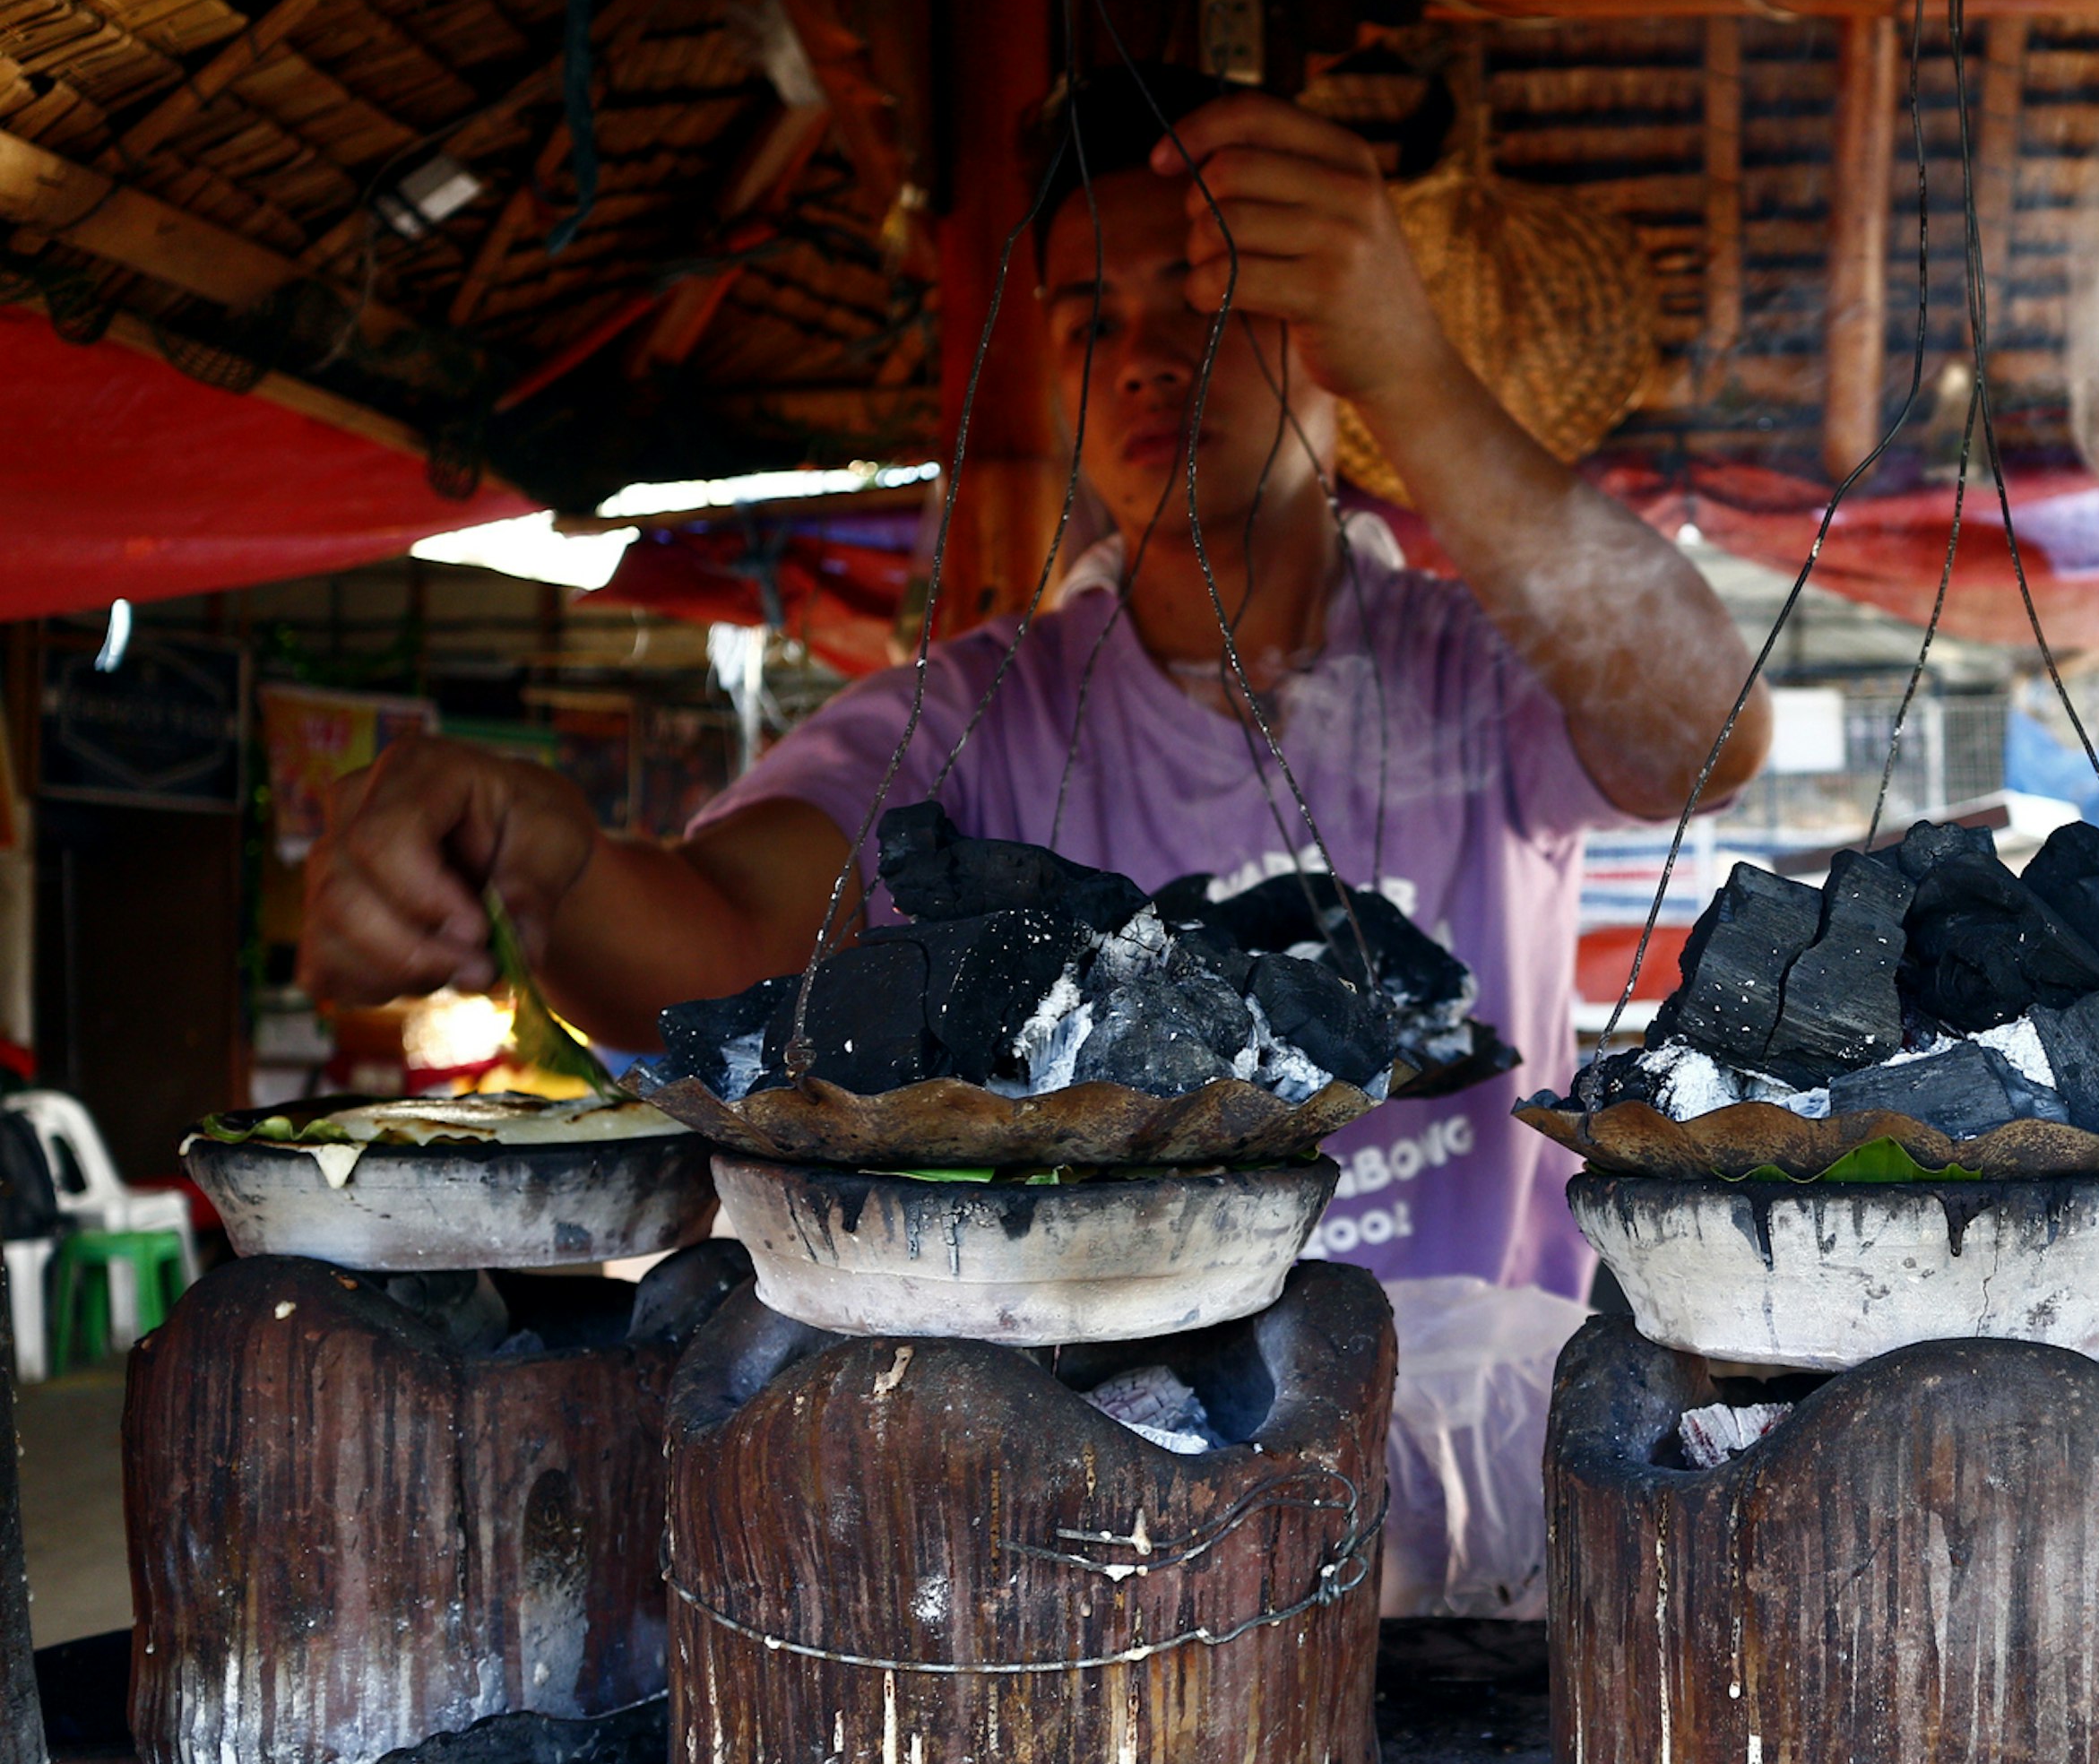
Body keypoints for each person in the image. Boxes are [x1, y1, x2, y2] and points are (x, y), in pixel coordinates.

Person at [299, 70, 1766, 1301]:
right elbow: (730, 942)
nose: (1143, 360)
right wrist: (538, 861)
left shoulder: (1472, 667)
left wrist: (1414, 366)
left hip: (1475, 1483)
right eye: (1087, 323)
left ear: (1331, 348)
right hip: (1133, 1484)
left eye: (1208, 301)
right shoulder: (975, 725)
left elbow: (1708, 734)